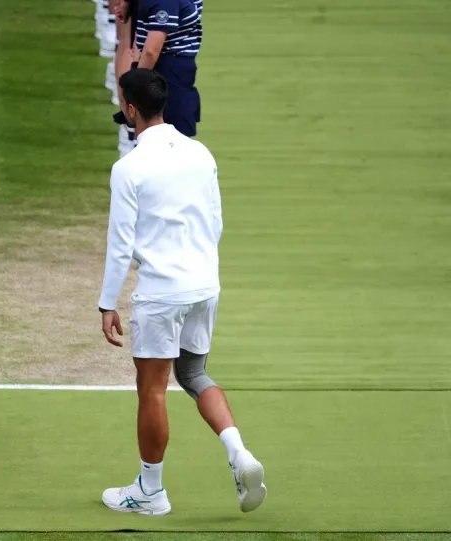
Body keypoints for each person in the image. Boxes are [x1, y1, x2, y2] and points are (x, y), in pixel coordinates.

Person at [97, 68, 266, 516]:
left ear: (130, 109)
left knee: (151, 389)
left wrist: (107, 302)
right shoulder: (199, 152)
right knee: (193, 375)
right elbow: (216, 221)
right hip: (204, 284)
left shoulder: (127, 168)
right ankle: (239, 454)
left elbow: (119, 245)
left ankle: (150, 492)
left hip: (162, 291)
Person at [111, 0, 204, 156]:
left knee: (166, 133)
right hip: (167, 67)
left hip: (165, 66)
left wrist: (135, 85)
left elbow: (150, 50)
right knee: (168, 136)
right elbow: (150, 51)